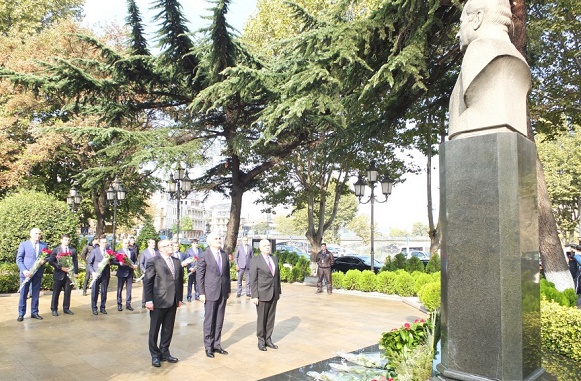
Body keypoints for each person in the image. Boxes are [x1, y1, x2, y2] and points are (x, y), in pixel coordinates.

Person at [448, 0, 530, 140]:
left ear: (478, 18)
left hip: (472, 143)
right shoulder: (518, 58)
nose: (457, 34)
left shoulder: (480, 51)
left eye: (461, 23)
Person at [144, 239, 184, 367]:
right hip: (158, 301)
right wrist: (148, 300)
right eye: (167, 245)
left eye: (171, 244)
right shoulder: (153, 261)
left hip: (172, 301)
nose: (171, 247)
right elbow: (148, 281)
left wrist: (179, 298)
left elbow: (179, 281)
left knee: (168, 329)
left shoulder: (177, 262)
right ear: (160, 248)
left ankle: (165, 352)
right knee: (154, 329)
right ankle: (155, 355)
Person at [197, 232, 231, 358]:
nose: (219, 240)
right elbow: (199, 275)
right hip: (210, 292)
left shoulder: (224, 254)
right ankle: (208, 346)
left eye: (219, 238)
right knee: (209, 320)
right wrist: (201, 293)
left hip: (222, 292)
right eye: (216, 239)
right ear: (209, 242)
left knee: (219, 320)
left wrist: (228, 290)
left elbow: (226, 274)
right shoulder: (204, 255)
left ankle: (217, 345)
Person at [250, 239, 282, 351]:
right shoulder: (255, 260)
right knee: (262, 318)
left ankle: (268, 339)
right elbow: (253, 279)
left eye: (269, 245)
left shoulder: (274, 258)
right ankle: (261, 341)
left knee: (270, 318)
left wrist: (279, 291)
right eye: (265, 245)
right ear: (260, 247)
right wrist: (254, 295)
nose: (268, 247)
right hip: (262, 293)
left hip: (274, 293)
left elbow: (277, 277)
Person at [16, 228, 48, 321]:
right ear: (31, 234)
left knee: (35, 294)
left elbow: (48, 257)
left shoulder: (44, 245)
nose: (38, 235)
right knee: (23, 294)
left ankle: (34, 312)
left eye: (39, 234)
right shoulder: (24, 244)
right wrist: (24, 270)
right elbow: (19, 259)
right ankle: (21, 313)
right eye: (36, 233)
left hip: (38, 273)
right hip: (26, 274)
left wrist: (45, 260)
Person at [48, 234, 79, 316]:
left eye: (68, 240)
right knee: (56, 292)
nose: (67, 241)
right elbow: (51, 261)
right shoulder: (56, 250)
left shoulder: (73, 250)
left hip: (69, 275)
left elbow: (75, 261)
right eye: (65, 240)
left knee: (68, 292)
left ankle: (66, 308)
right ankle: (54, 309)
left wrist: (75, 272)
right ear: (61, 240)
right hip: (59, 274)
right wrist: (60, 267)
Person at [87, 235, 112, 315]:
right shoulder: (94, 251)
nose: (104, 244)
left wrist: (109, 262)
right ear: (99, 243)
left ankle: (102, 307)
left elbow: (113, 261)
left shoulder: (109, 252)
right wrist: (93, 272)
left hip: (105, 274)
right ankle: (94, 307)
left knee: (104, 291)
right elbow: (89, 263)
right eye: (102, 242)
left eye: (105, 242)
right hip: (96, 274)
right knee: (95, 291)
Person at [113, 238, 138, 311]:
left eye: (127, 243)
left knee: (129, 289)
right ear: (122, 243)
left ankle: (128, 304)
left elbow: (135, 260)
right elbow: (114, 261)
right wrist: (120, 263)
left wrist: (135, 265)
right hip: (121, 272)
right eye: (125, 243)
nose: (126, 244)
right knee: (120, 289)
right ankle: (119, 304)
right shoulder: (118, 251)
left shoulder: (132, 251)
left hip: (130, 272)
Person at [140, 239, 158, 308]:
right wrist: (144, 271)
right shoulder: (144, 252)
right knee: (146, 288)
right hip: (147, 273)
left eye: (154, 243)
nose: (154, 244)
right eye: (152, 243)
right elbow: (141, 263)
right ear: (148, 244)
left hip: (156, 273)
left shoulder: (157, 252)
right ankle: (144, 302)